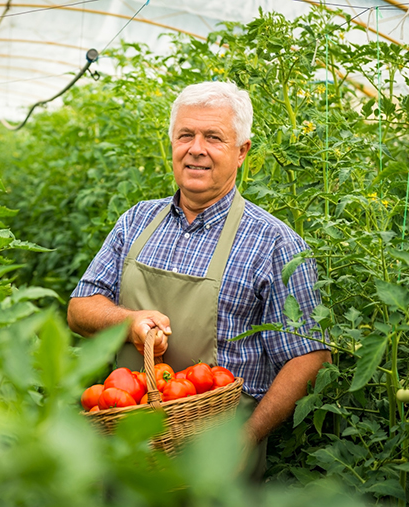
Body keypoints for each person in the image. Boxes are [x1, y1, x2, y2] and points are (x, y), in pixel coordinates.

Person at [67, 81, 331, 478]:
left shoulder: (274, 243)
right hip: (130, 441)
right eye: (185, 135)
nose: (196, 149)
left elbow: (310, 356)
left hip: (219, 454)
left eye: (214, 137)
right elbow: (79, 308)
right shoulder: (136, 222)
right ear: (171, 143)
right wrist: (129, 322)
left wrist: (246, 437)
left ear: (242, 151)